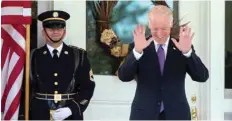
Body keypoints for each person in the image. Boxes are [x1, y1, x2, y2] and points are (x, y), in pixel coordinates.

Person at [118, 5, 209, 120]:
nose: (160, 34)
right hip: (144, 115)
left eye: (164, 29)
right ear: (149, 24)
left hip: (177, 115)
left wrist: (188, 53)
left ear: (171, 25)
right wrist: (137, 52)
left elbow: (202, 76)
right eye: (155, 29)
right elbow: (124, 76)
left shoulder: (182, 46)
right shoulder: (139, 46)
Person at [21, 10, 95, 120]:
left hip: (69, 115)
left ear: (64, 32)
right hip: (39, 114)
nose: (55, 31)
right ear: (43, 32)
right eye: (50, 28)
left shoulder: (79, 55)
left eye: (59, 28)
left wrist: (72, 109)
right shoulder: (32, 56)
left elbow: (87, 87)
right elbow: (24, 90)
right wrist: (22, 116)